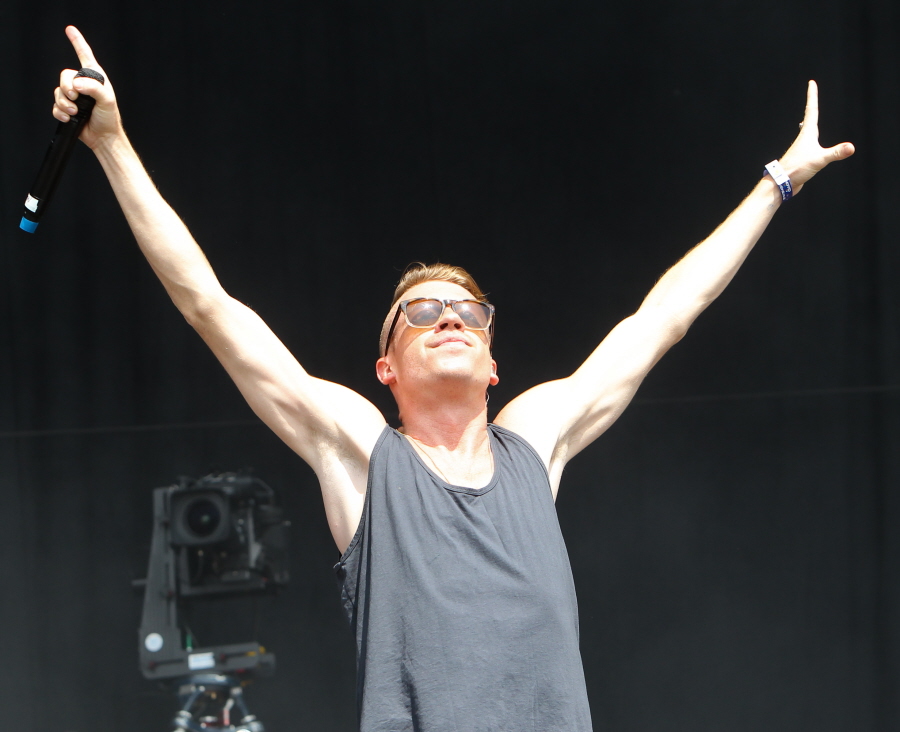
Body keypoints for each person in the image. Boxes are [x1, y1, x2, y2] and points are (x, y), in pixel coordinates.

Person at [52, 24, 854, 732]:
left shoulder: (534, 441)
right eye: (423, 311)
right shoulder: (365, 454)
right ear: (386, 368)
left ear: (493, 363)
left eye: (471, 312)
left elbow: (663, 317)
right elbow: (209, 306)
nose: (450, 319)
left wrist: (777, 183)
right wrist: (113, 145)